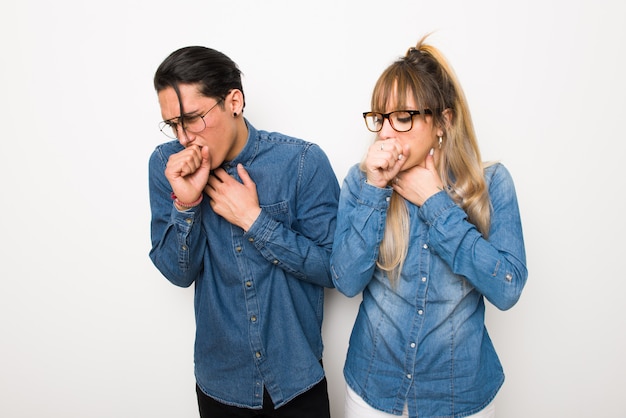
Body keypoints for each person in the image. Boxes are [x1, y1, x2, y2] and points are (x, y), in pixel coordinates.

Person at [330, 35, 528, 418]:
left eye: (402, 118)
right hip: (374, 390)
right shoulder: (362, 181)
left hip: (459, 397)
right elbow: (346, 281)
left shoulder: (492, 184)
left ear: (443, 121)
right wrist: (375, 190)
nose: (386, 132)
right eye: (380, 117)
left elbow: (508, 288)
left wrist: (436, 203)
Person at [148, 46, 339, 418]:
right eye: (173, 124)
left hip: (297, 381)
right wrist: (186, 204)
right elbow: (177, 273)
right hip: (221, 385)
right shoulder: (165, 166)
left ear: (233, 101)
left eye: (193, 118)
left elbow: (334, 270)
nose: (184, 137)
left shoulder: (301, 162)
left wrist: (255, 221)